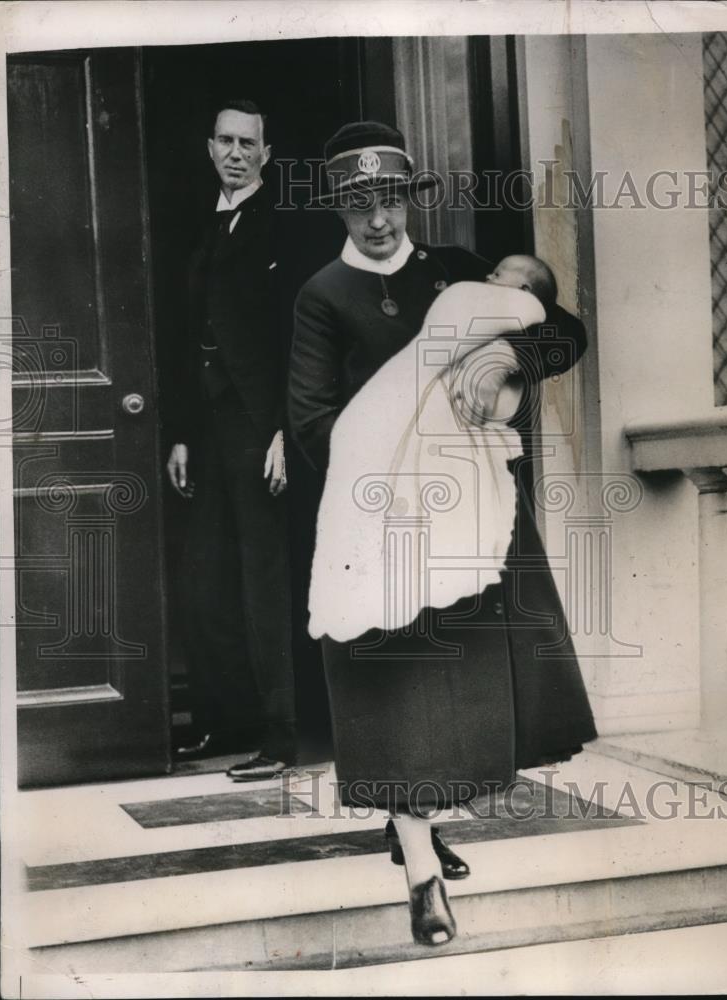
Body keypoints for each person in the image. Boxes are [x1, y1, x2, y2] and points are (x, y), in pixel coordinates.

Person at [288, 121, 597, 946]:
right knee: (394, 694)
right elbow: (312, 420)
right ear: (338, 212)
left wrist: (506, 363)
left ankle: (415, 820)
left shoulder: (457, 273)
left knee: (453, 695)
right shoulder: (322, 295)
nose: (377, 221)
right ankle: (423, 876)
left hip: (469, 517)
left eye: (388, 201)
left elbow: (563, 332)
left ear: (409, 201)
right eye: (359, 207)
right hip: (385, 517)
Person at [164, 98, 296, 781]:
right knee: (204, 582)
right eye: (225, 139)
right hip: (210, 431)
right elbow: (186, 339)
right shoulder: (197, 220)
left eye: (249, 142)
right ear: (209, 147)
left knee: (265, 583)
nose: (236, 151)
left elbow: (301, 339)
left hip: (260, 425)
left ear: (266, 155)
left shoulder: (285, 228)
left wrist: (283, 430)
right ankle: (226, 719)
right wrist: (183, 434)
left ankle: (282, 735)